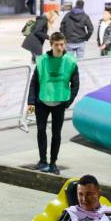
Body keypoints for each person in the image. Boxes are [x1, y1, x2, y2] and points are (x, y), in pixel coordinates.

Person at [27, 32, 79, 175]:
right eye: (56, 45)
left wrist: (67, 102)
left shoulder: (70, 62)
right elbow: (34, 83)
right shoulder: (42, 61)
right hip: (42, 102)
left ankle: (53, 163)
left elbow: (75, 84)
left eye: (62, 44)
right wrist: (31, 102)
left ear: (65, 44)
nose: (59, 47)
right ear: (51, 44)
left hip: (59, 104)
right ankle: (42, 161)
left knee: (57, 134)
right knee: (41, 132)